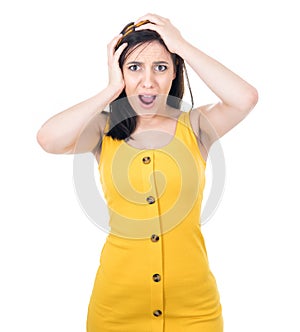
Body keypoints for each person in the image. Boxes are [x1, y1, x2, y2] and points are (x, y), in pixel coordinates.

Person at [37, 13, 258, 332]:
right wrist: (111, 89)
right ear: (120, 72)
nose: (149, 81)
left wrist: (180, 44)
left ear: (174, 73)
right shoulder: (103, 129)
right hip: (117, 309)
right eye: (134, 68)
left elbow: (245, 98)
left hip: (194, 310)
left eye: (161, 67)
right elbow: (48, 139)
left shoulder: (196, 127)